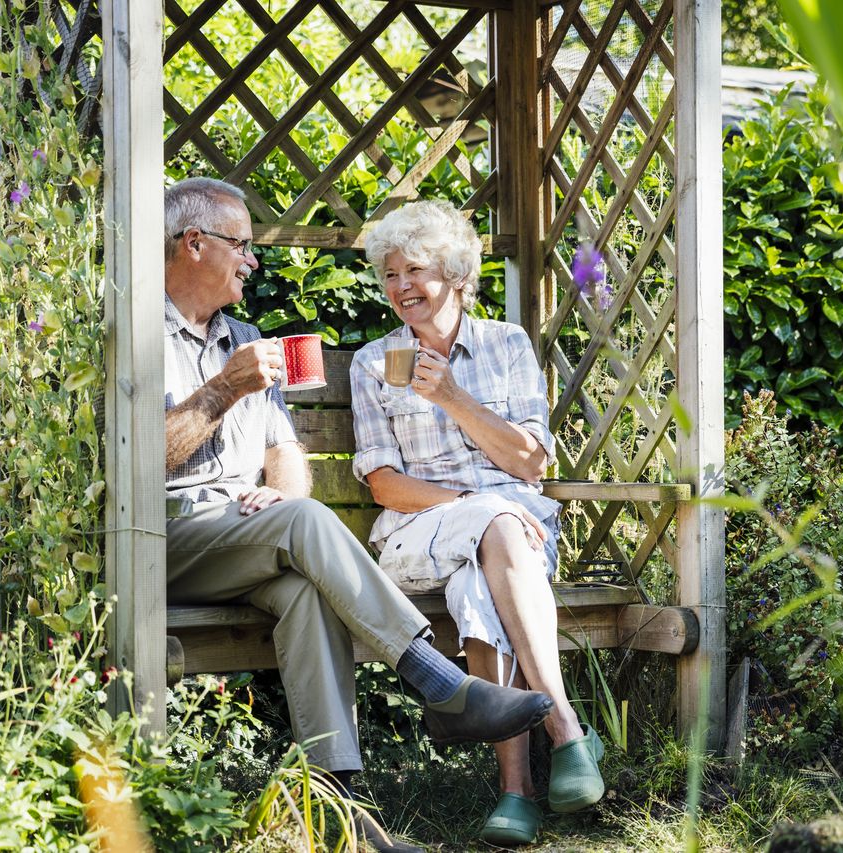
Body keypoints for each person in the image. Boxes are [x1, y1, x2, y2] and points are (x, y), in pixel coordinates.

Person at [161, 178, 554, 853]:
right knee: (307, 524)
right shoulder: (137, 334)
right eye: (243, 247)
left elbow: (286, 452)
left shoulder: (246, 335)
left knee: (306, 586)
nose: (253, 262)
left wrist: (283, 491)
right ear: (195, 244)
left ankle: (348, 824)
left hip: (246, 536)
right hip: (164, 534)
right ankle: (437, 679)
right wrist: (225, 386)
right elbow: (143, 461)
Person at [350, 201, 606, 846]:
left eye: (415, 270)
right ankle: (567, 732)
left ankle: (515, 794)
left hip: (514, 538)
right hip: (419, 531)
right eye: (389, 275)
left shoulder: (506, 345)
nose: (401, 286)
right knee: (496, 520)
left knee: (479, 588)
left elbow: (529, 459)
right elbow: (385, 484)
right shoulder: (372, 363)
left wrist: (454, 399)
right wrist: (477, 502)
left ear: (457, 275)